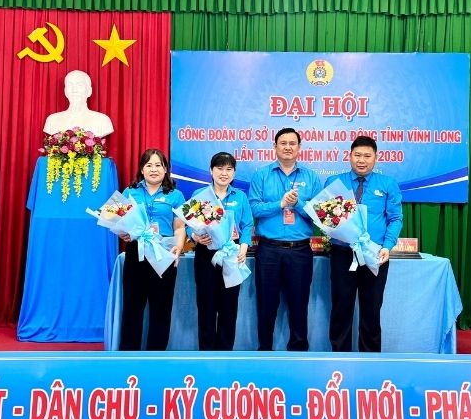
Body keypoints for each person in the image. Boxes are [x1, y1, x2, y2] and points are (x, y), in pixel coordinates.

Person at [326, 135, 403, 352]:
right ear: (349, 156)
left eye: (367, 156)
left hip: (375, 254)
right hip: (343, 253)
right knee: (341, 308)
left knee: (371, 310)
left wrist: (387, 246)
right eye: (357, 155)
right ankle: (339, 358)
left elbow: (395, 218)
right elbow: (327, 218)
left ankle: (371, 361)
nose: (362, 160)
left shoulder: (388, 184)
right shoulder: (335, 183)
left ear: (376, 158)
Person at [249, 127, 322, 351]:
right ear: (275, 147)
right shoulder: (261, 175)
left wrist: (297, 204)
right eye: (283, 143)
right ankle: (264, 351)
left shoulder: (311, 177)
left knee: (299, 304)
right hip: (268, 250)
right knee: (266, 304)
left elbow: (321, 214)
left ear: (299, 148)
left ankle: (298, 352)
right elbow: (254, 209)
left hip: (300, 251)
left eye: (292, 143)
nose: (288, 147)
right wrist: (280, 204)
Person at [118, 149, 186, 351]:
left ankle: (156, 356)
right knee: (132, 307)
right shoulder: (130, 192)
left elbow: (180, 227)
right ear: (142, 169)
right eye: (149, 165)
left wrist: (178, 249)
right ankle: (128, 356)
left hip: (164, 252)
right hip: (136, 251)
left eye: (158, 165)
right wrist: (122, 233)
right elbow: (119, 223)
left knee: (161, 307)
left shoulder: (175, 195)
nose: (154, 169)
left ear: (165, 169)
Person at [190, 152, 253, 350]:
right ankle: (206, 355)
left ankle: (226, 354)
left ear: (234, 173)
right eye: (219, 168)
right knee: (206, 307)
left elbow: (248, 224)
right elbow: (190, 225)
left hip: (232, 255)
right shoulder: (199, 196)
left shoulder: (240, 197)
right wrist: (195, 237)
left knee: (229, 307)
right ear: (211, 170)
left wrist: (243, 247)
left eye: (228, 169)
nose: (224, 173)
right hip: (206, 255)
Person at [43, 70, 114, 138]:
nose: (74, 90)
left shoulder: (102, 120)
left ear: (89, 91)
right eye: (70, 85)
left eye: (79, 85)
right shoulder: (52, 120)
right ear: (65, 91)